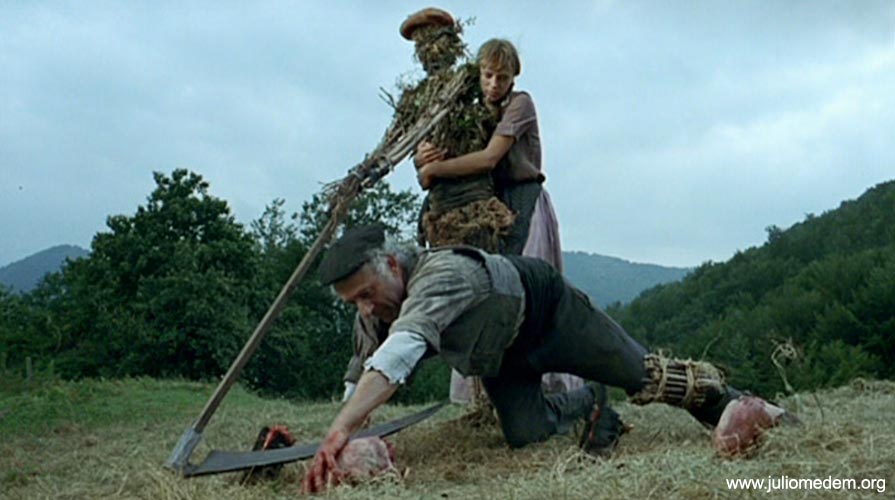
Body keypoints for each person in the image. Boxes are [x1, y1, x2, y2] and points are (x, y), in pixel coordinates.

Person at [302, 225, 790, 493]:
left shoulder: (441, 274)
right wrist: (344, 436)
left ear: (392, 265)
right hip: (503, 359)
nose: (365, 309)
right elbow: (365, 368)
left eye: (366, 294)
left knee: (641, 374)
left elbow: (399, 355)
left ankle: (741, 406)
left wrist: (342, 427)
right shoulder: (376, 311)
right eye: (353, 302)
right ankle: (590, 402)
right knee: (526, 434)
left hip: (551, 316)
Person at [416, 38, 582, 399]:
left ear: (513, 78)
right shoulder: (472, 111)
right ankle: (485, 393)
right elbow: (444, 152)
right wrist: (423, 156)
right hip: (491, 205)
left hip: (526, 202)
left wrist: (435, 170)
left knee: (531, 294)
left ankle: (546, 389)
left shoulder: (520, 104)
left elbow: (490, 157)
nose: (494, 84)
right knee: (487, 294)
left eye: (502, 78)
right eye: (488, 75)